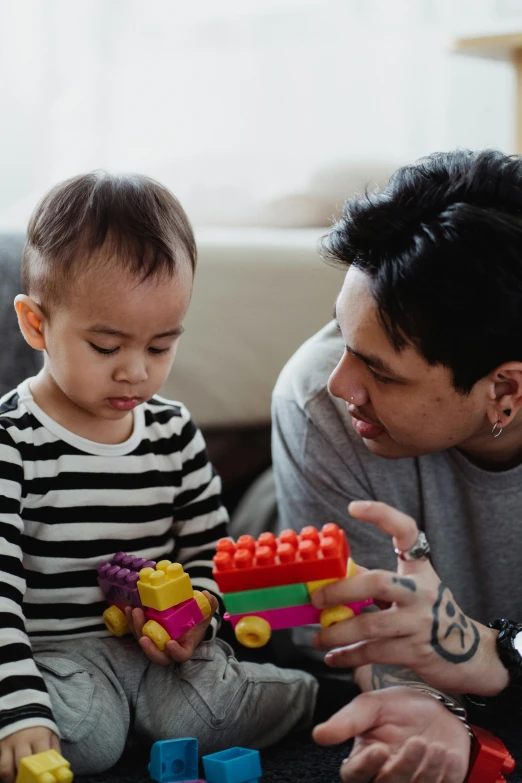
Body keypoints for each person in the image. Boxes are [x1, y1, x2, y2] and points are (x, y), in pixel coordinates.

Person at [0, 172, 318, 783]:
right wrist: (20, 710)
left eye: (161, 346)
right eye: (106, 346)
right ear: (37, 325)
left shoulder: (173, 434)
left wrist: (200, 614)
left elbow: (210, 557)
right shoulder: (14, 441)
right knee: (86, 740)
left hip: (161, 657)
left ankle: (309, 695)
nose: (135, 374)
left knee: (203, 715)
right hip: (55, 659)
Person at [272, 149, 522, 783]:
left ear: (506, 392)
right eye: (342, 334)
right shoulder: (317, 406)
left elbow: (486, 661)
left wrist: (495, 657)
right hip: (282, 525)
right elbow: (370, 639)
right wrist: (424, 704)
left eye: (380, 371)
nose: (339, 382)